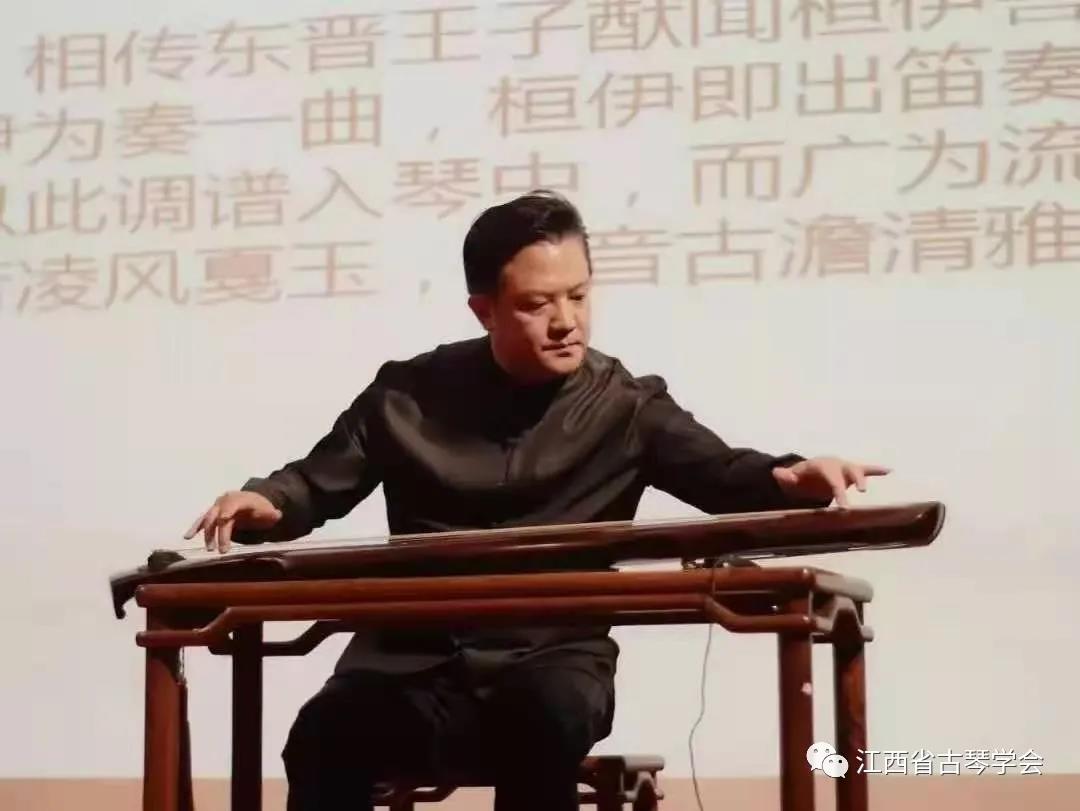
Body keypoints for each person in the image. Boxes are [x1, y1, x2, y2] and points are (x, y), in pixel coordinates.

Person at [184, 190, 889, 811]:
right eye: (537, 303)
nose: (566, 321)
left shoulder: (626, 405)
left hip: (552, 660)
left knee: (541, 719)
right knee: (324, 736)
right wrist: (264, 501)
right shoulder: (407, 395)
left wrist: (789, 476)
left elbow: (724, 473)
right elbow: (315, 482)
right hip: (408, 660)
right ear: (483, 310)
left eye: (578, 296)